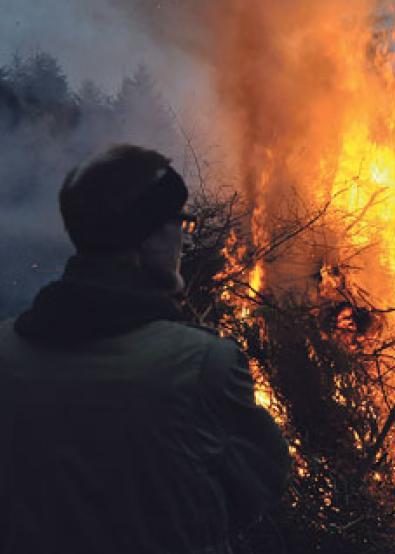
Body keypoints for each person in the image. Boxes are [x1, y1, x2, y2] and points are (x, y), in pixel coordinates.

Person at [0, 145, 290, 553]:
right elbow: (260, 484)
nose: (185, 242)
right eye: (181, 223)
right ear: (144, 237)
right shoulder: (201, 365)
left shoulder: (6, 351)